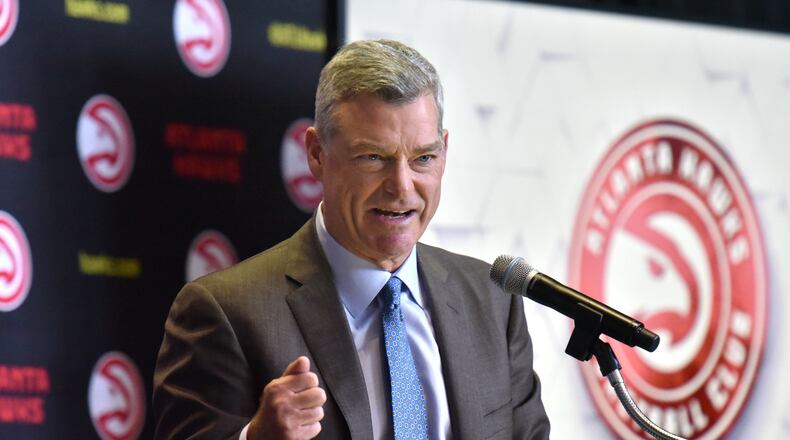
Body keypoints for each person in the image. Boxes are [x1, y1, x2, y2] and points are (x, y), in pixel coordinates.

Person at [153, 39, 550, 440]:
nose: (401, 186)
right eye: (373, 157)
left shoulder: (492, 302)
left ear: (444, 152)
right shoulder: (227, 312)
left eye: (423, 158)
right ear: (316, 154)